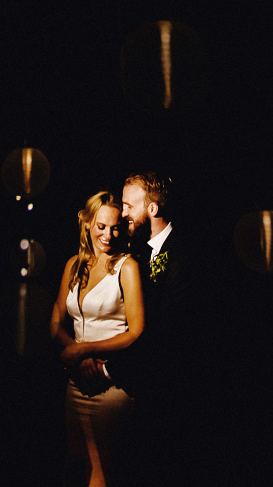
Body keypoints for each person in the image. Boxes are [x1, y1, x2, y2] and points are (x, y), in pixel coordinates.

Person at [52, 190, 145, 486]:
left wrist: (84, 352)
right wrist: (77, 356)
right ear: (88, 224)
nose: (109, 234)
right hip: (76, 382)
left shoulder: (127, 267)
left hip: (110, 385)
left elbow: (137, 331)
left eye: (116, 227)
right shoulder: (73, 265)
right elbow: (56, 322)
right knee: (75, 463)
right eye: (102, 226)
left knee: (103, 472)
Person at [108, 171, 189, 480]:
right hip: (135, 389)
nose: (123, 213)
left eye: (129, 206)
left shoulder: (183, 256)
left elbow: (167, 332)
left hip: (166, 394)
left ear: (152, 209)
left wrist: (108, 367)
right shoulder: (137, 252)